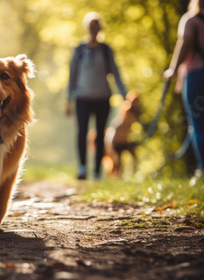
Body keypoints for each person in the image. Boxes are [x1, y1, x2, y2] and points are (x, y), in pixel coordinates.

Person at [164, 0, 204, 172]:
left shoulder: (191, 20)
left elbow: (184, 45)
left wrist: (172, 70)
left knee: (199, 126)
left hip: (197, 76)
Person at [66, 12, 127, 180]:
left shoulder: (106, 51)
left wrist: (125, 95)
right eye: (91, 26)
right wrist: (68, 100)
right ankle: (82, 168)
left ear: (100, 28)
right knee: (82, 132)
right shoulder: (79, 51)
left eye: (97, 25)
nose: (94, 29)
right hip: (82, 98)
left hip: (103, 98)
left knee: (101, 134)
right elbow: (72, 76)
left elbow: (116, 74)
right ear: (87, 28)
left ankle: (97, 172)